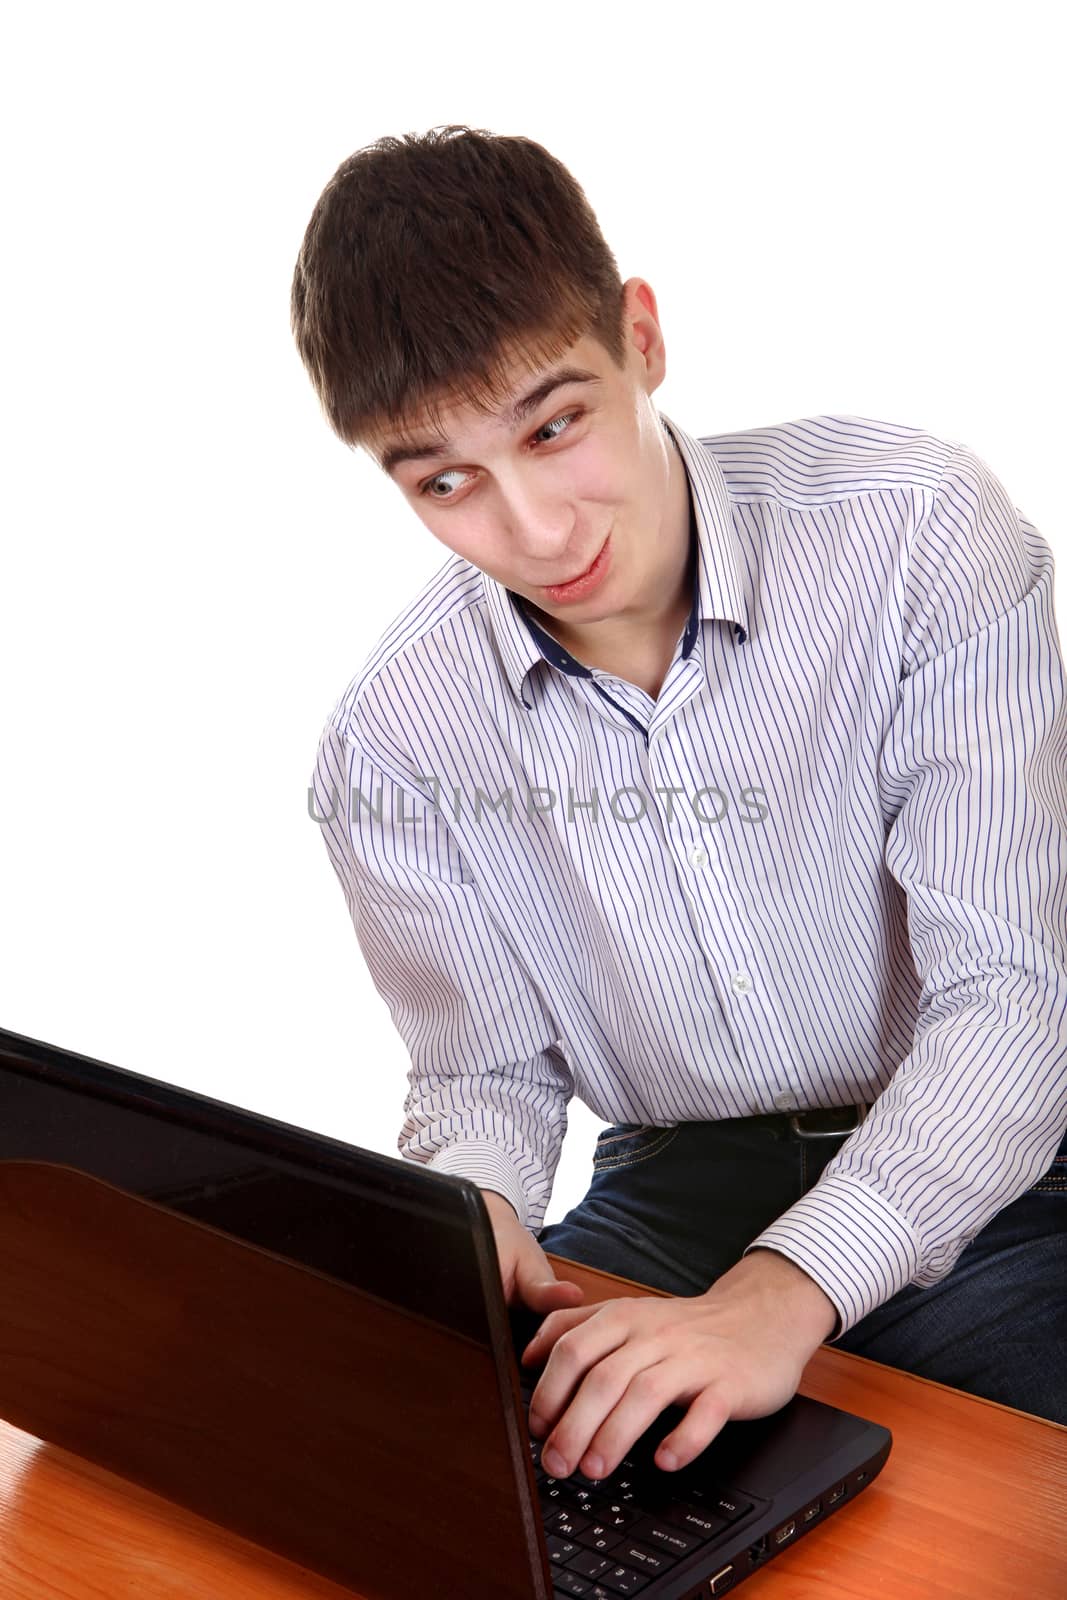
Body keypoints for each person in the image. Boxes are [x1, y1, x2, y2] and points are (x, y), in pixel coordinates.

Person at [291, 124, 1067, 1474]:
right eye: (446, 481)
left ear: (641, 338)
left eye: (555, 424)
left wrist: (782, 1296)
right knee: (452, 1481)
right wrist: (470, 1212)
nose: (534, 528)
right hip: (671, 1193)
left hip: (1011, 1168)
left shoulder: (920, 534)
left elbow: (1013, 998)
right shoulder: (390, 741)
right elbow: (483, 1073)